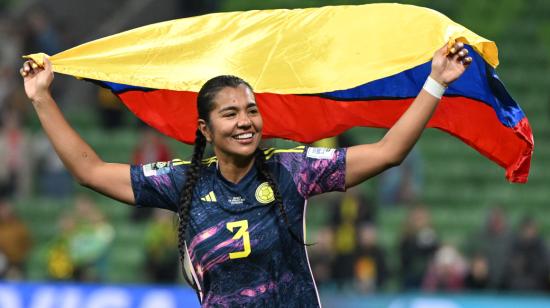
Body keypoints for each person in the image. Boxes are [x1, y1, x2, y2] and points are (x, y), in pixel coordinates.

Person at [20, 42, 471, 306]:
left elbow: (389, 152)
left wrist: (436, 81)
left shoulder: (292, 170)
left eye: (252, 111)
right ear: (205, 129)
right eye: (231, 113)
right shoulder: (184, 182)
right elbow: (89, 170)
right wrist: (41, 97)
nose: (245, 122)